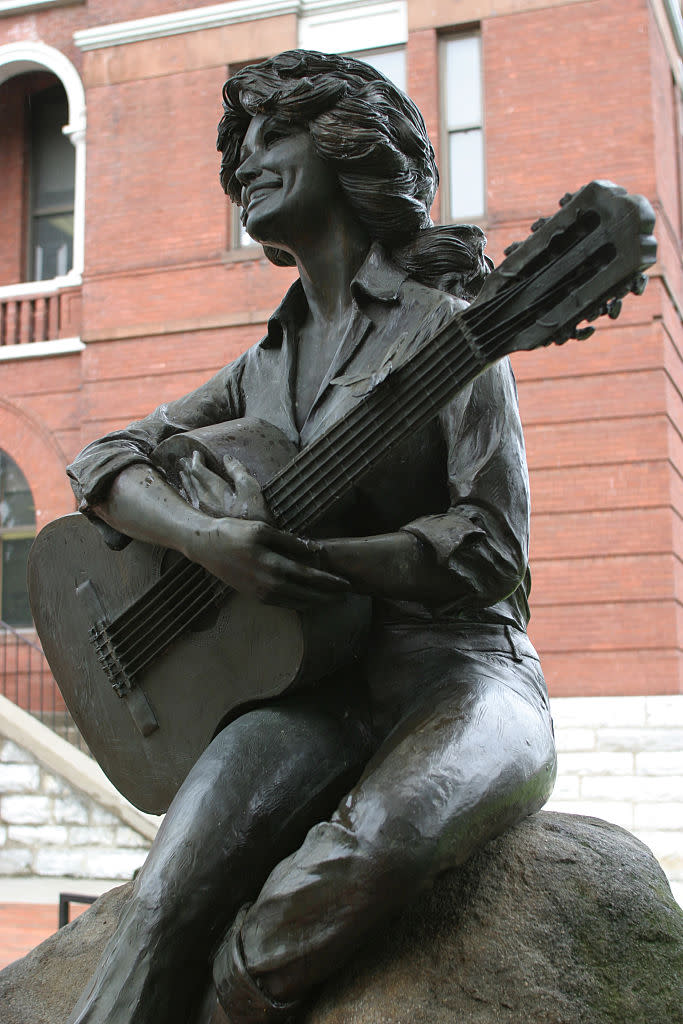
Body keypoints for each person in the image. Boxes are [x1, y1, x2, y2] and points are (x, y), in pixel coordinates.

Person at [66, 49, 557, 1024]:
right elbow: (102, 463)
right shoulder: (263, 364)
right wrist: (205, 538)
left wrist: (317, 560)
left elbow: (488, 548)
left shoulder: (443, 329)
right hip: (310, 682)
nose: (244, 158)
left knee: (378, 841)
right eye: (236, 144)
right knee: (162, 897)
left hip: (463, 670)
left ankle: (224, 1004)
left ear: (343, 147)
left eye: (270, 133)